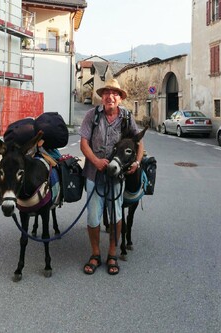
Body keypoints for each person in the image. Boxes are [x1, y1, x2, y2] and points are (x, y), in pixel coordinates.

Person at [78, 78, 144, 275]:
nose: (110, 96)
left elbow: (139, 142)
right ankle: (96, 253)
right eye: (107, 92)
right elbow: (83, 143)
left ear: (120, 98)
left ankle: (112, 253)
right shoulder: (92, 116)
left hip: (117, 177)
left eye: (115, 93)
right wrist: (96, 161)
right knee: (93, 216)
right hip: (93, 173)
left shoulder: (126, 117)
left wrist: (137, 162)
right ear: (102, 96)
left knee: (116, 214)